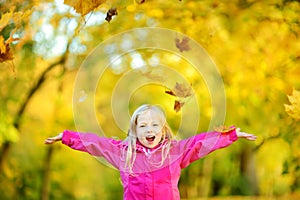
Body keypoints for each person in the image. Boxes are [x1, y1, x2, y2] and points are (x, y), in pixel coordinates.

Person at [45, 104, 256, 200]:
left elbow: (200, 143)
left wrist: (230, 135)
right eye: (143, 125)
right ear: (135, 130)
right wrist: (66, 137)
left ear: (163, 129)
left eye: (155, 125)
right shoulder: (123, 152)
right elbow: (95, 143)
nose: (149, 130)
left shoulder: (174, 151)